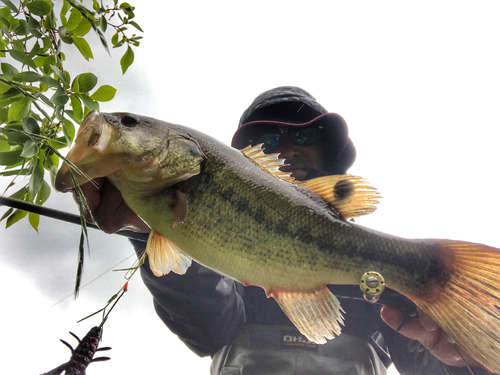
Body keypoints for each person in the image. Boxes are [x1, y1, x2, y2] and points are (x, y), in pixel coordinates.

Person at [79, 87, 490, 375]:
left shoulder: (376, 274)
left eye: (307, 136)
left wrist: (467, 361)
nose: (289, 148)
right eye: (268, 138)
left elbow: (427, 363)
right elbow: (207, 327)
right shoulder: (223, 249)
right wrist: (145, 225)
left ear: (330, 156)